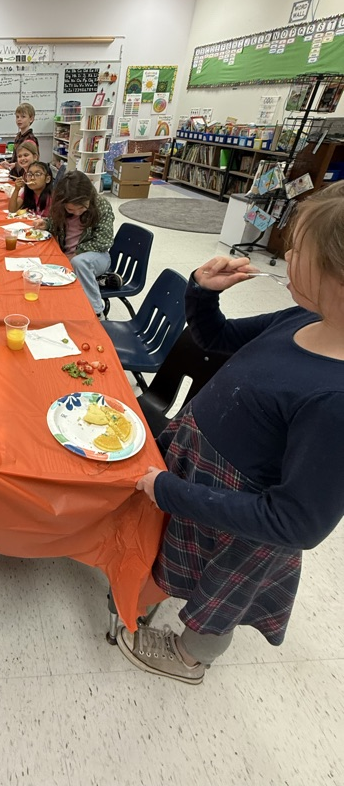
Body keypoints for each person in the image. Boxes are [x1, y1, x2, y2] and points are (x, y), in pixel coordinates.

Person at [117, 183, 344, 684]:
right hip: (200, 471)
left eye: (298, 249)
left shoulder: (335, 399)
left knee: (224, 589)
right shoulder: (301, 318)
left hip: (241, 518)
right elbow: (216, 339)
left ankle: (192, 657)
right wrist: (201, 292)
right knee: (182, 560)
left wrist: (172, 492)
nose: (285, 253)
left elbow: (295, 524)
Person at [36, 170, 116, 317]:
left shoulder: (101, 206)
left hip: (97, 255)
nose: (77, 212)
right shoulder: (60, 207)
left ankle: (97, 312)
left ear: (89, 198)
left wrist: (75, 253)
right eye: (71, 209)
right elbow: (55, 224)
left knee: (79, 262)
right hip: (67, 254)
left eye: (82, 207)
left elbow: (104, 241)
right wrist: (47, 224)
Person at [2, 103, 39, 169]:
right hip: (16, 173)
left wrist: (15, 165)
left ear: (31, 119)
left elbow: (30, 162)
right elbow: (16, 158)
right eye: (17, 117)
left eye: (23, 117)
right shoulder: (18, 137)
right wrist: (8, 163)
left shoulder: (30, 139)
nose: (19, 119)